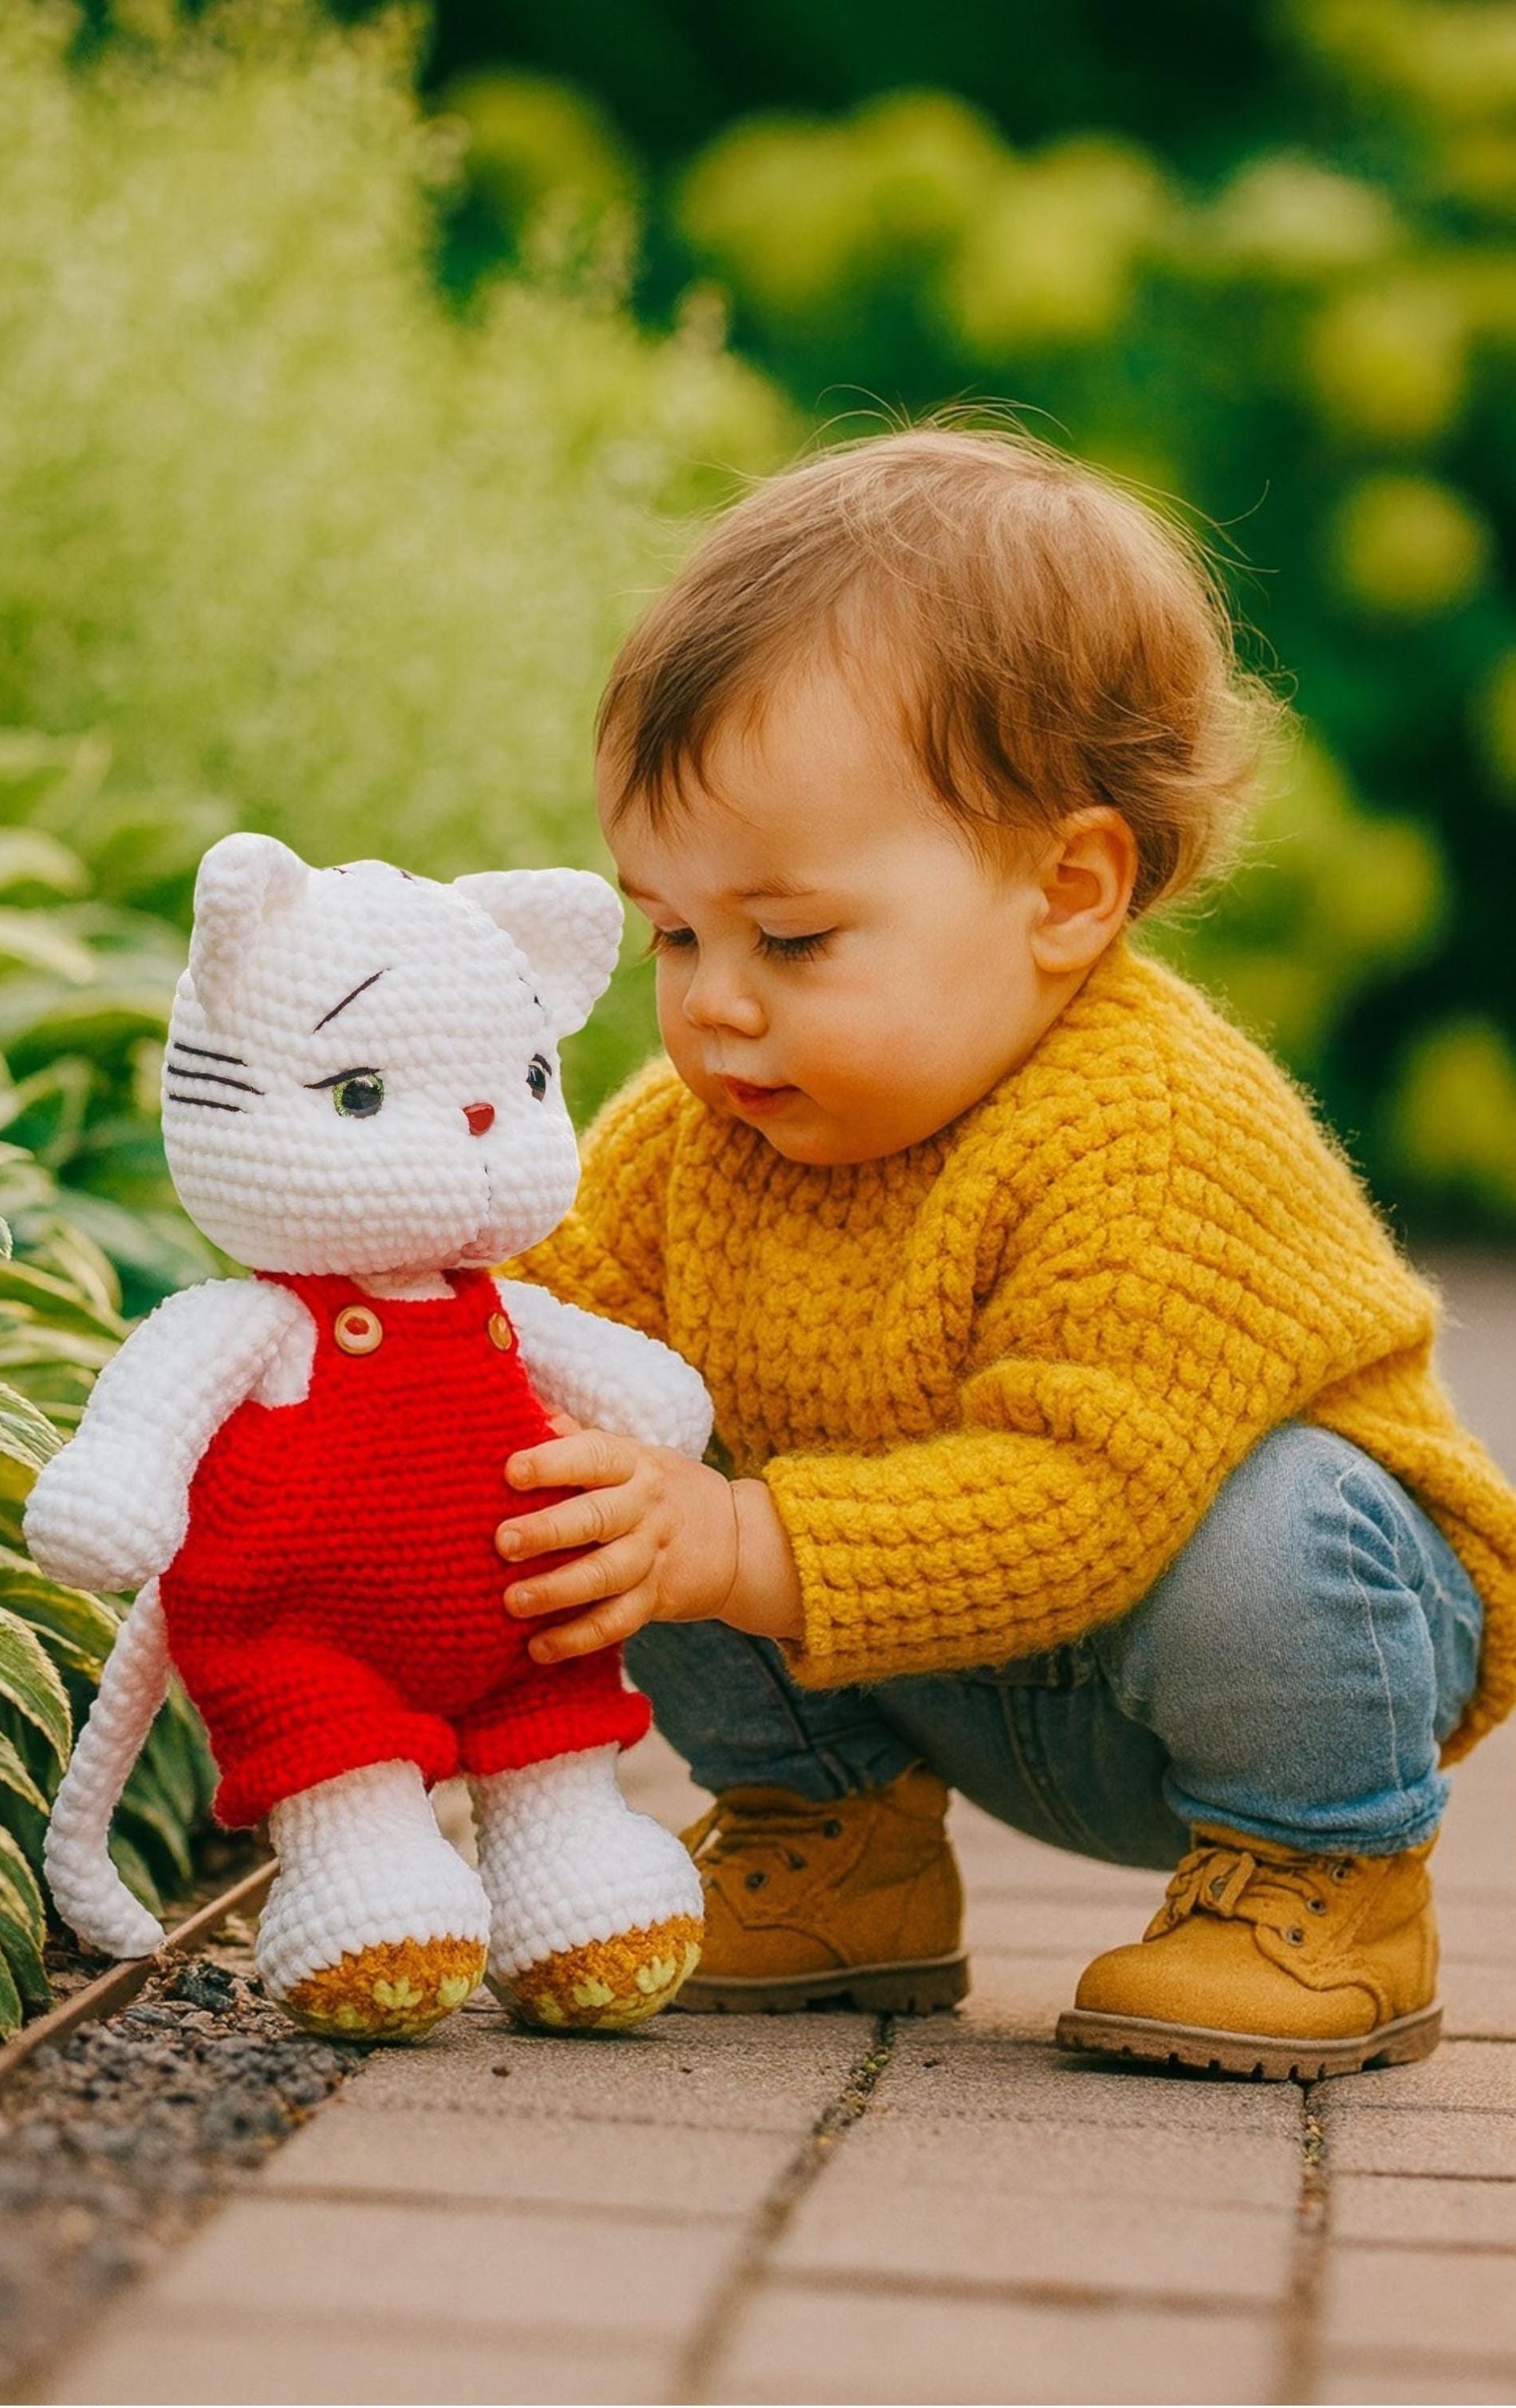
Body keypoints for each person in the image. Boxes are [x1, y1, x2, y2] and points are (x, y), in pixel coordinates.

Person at [493, 424, 1516, 2078]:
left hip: (1229, 1658)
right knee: (608, 1453)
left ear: (1065, 893)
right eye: (673, 930)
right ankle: (833, 1845)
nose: (714, 1001)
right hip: (931, 1669)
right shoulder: (690, 1140)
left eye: (791, 937)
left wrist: (734, 1540)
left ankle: (1326, 1882)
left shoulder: (1148, 1128)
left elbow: (1084, 1504)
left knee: (1276, 1514)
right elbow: (532, 1343)